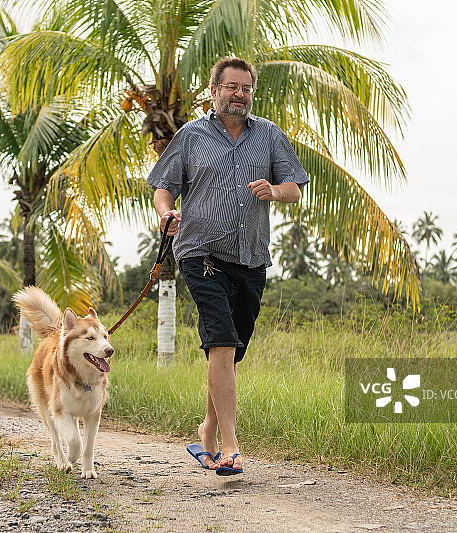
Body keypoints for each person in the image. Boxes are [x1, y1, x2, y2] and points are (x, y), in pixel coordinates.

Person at [147, 57, 309, 475]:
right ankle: (230, 446)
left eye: (247, 89)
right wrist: (166, 213)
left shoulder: (269, 135)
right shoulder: (191, 136)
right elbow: (164, 187)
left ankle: (205, 430)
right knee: (221, 339)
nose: (240, 95)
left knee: (231, 348)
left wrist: (274, 190)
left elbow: (294, 187)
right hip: (200, 251)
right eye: (232, 87)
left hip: (251, 255)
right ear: (215, 90)